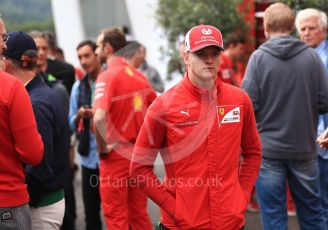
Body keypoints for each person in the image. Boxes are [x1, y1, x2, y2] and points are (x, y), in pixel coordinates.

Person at [130, 24, 261, 229]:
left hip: (230, 222)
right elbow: (139, 168)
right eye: (201, 54)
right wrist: (174, 208)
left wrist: (242, 196)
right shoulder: (164, 105)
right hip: (182, 224)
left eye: (214, 53)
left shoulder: (239, 99)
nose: (208, 60)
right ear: (186, 57)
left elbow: (253, 153)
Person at [241, 3, 328, 229]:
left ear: (266, 26)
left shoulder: (258, 59)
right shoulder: (312, 58)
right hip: (305, 149)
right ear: (292, 26)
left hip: (268, 152)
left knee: (273, 217)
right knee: (312, 214)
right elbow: (324, 102)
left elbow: (247, 105)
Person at [2, 31, 70, 230]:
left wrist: (19, 201)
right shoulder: (42, 93)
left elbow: (39, 166)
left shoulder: (35, 103)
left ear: (6, 62)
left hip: (40, 206)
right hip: (47, 201)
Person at [0, 6, 44, 230]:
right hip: (4, 204)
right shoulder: (10, 86)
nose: (5, 44)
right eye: (3, 36)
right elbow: (33, 153)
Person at [93, 27, 156, 230]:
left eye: (98, 46)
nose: (96, 51)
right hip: (138, 155)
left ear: (108, 48)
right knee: (139, 215)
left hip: (116, 157)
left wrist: (103, 149)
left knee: (116, 218)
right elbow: (156, 115)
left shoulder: (107, 76)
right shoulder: (139, 76)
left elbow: (99, 117)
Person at [296, 8, 328, 227]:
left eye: (312, 28)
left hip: (325, 142)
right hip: (302, 144)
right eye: (303, 29)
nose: (307, 33)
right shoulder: (296, 57)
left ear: (324, 30)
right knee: (310, 205)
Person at [69, 40, 102, 230]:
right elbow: (70, 122)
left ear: (97, 55)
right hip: (89, 159)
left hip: (113, 158)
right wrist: (79, 115)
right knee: (90, 212)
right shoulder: (77, 87)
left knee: (118, 211)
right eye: (80, 57)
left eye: (87, 55)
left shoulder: (111, 80)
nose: (83, 61)